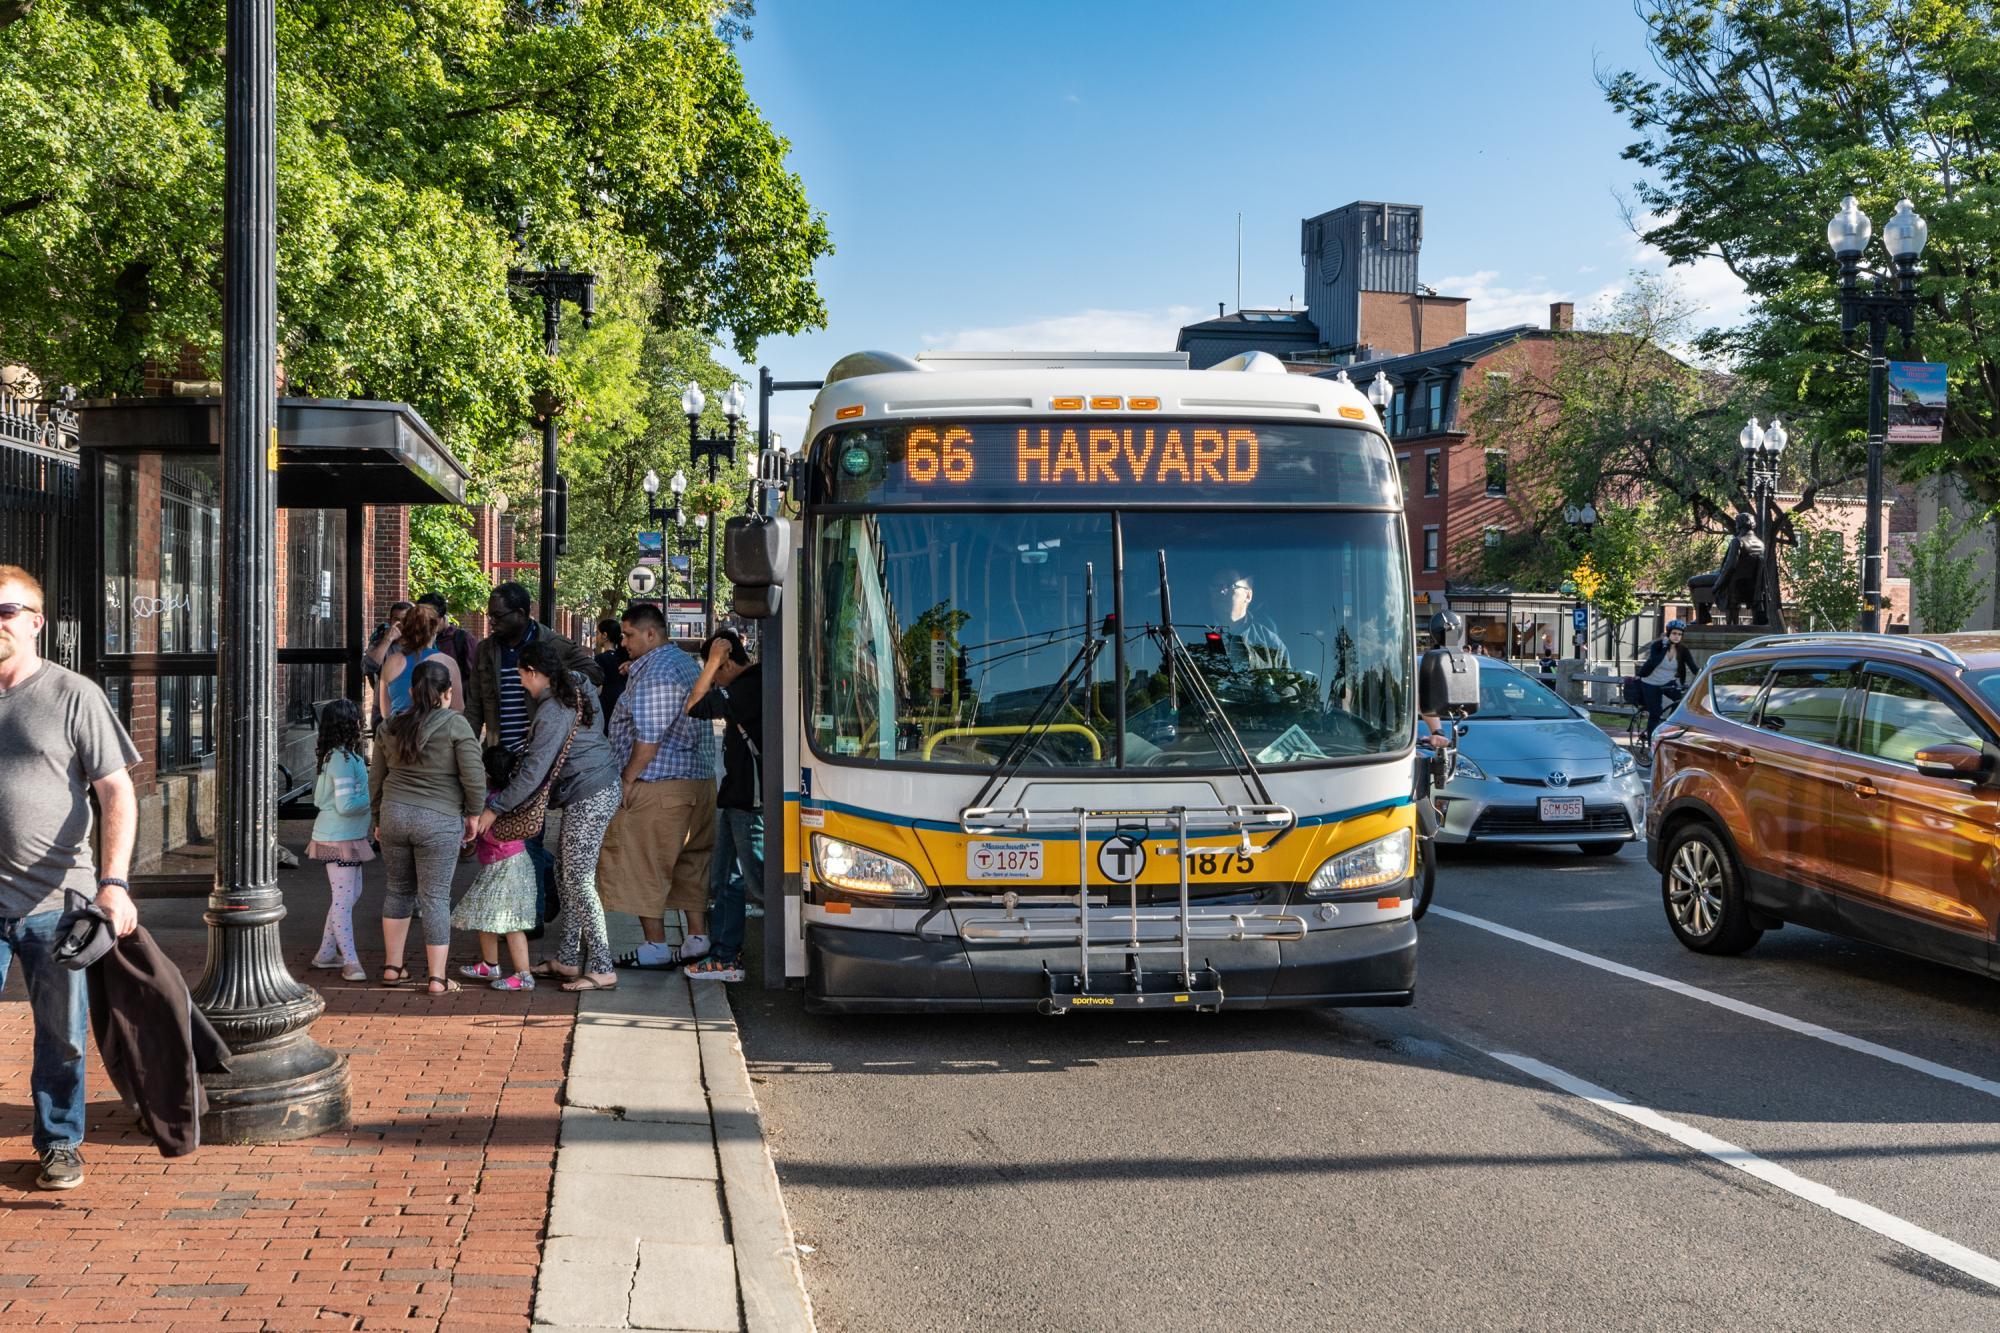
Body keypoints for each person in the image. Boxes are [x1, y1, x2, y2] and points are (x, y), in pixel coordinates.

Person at [0, 564, 139, 1190]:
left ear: (36, 622)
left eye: (5, 612)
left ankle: (59, 1142)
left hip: (57, 900)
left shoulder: (72, 693)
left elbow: (117, 794)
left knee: (63, 1035)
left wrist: (114, 883)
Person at [475, 639, 622, 991]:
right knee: (566, 872)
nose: (522, 684)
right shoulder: (576, 687)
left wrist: (495, 808)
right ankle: (568, 959)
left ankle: (602, 965)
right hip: (594, 787)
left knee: (579, 879)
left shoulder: (554, 709)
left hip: (589, 790)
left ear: (535, 672)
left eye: (522, 677)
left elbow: (533, 772)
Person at [466, 582, 601, 923]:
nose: (491, 622)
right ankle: (539, 899)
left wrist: (555, 678)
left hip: (536, 756)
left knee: (529, 837)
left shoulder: (551, 643)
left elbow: (594, 673)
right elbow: (475, 706)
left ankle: (533, 919)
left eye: (498, 616)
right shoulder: (486, 650)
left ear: (522, 614)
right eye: (489, 615)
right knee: (511, 840)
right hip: (499, 757)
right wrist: (466, 749)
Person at [597, 602, 719, 970]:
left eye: (630, 635)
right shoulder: (681, 663)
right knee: (691, 863)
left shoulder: (657, 674)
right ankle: (697, 937)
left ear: (651, 634)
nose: (624, 642)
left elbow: (648, 738)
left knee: (642, 864)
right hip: (697, 780)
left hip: (658, 785)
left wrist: (626, 779)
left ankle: (654, 946)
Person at [370, 658, 483, 995]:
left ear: (411, 690)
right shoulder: (456, 725)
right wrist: (474, 814)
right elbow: (474, 776)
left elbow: (375, 779)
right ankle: (436, 978)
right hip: (439, 818)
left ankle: (393, 967)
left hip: (394, 814)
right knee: (434, 898)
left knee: (397, 891)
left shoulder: (389, 725)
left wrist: (378, 818)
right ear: (447, 693)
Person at [684, 627, 763, 982]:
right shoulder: (752, 683)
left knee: (759, 881)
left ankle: (735, 955)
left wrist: (712, 661)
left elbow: (695, 706)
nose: (713, 680)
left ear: (726, 662)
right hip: (737, 796)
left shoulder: (749, 687)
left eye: (716, 671)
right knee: (726, 879)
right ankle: (725, 955)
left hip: (750, 802)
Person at [452, 749, 541, 991]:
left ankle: (524, 975)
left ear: (487, 772)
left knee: (511, 923)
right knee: (484, 914)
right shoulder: (510, 797)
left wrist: (468, 832)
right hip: (505, 865)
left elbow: (484, 833)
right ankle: (490, 964)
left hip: (506, 866)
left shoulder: (494, 803)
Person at [305, 699, 371, 983]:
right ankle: (351, 962)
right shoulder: (345, 762)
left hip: (339, 835)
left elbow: (320, 799)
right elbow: (346, 805)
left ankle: (326, 953)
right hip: (341, 836)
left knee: (349, 895)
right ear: (350, 725)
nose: (362, 723)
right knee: (345, 899)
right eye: (358, 719)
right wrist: (372, 798)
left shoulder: (332, 758)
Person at [379, 603, 465, 719]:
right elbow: (458, 709)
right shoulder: (447, 662)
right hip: (435, 733)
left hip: (399, 732)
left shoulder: (391, 662)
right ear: (434, 628)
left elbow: (385, 713)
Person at [1207, 568, 1290, 671]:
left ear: (1248, 596)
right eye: (1216, 586)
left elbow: (1289, 684)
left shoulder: (1270, 642)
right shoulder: (1189, 632)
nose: (1222, 591)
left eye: (1230, 585)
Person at [1636, 619, 1697, 742]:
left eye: (1679, 634)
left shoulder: (1683, 650)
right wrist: (1664, 646)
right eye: (1674, 633)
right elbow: (1655, 661)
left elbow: (1693, 667)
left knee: (1681, 703)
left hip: (1668, 682)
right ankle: (1651, 744)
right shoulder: (1657, 646)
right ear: (1668, 633)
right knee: (1655, 713)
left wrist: (1705, 676)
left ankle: (1666, 726)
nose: (1677, 636)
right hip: (1650, 682)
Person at [416, 592, 477, 685]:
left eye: (431, 619)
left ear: (442, 616)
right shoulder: (418, 638)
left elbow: (475, 679)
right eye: (421, 619)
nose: (426, 623)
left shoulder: (463, 639)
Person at [594, 617, 629, 733]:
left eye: (597, 633)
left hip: (607, 699)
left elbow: (598, 685)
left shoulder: (600, 658)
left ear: (605, 635)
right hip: (624, 695)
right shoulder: (625, 656)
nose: (596, 637)